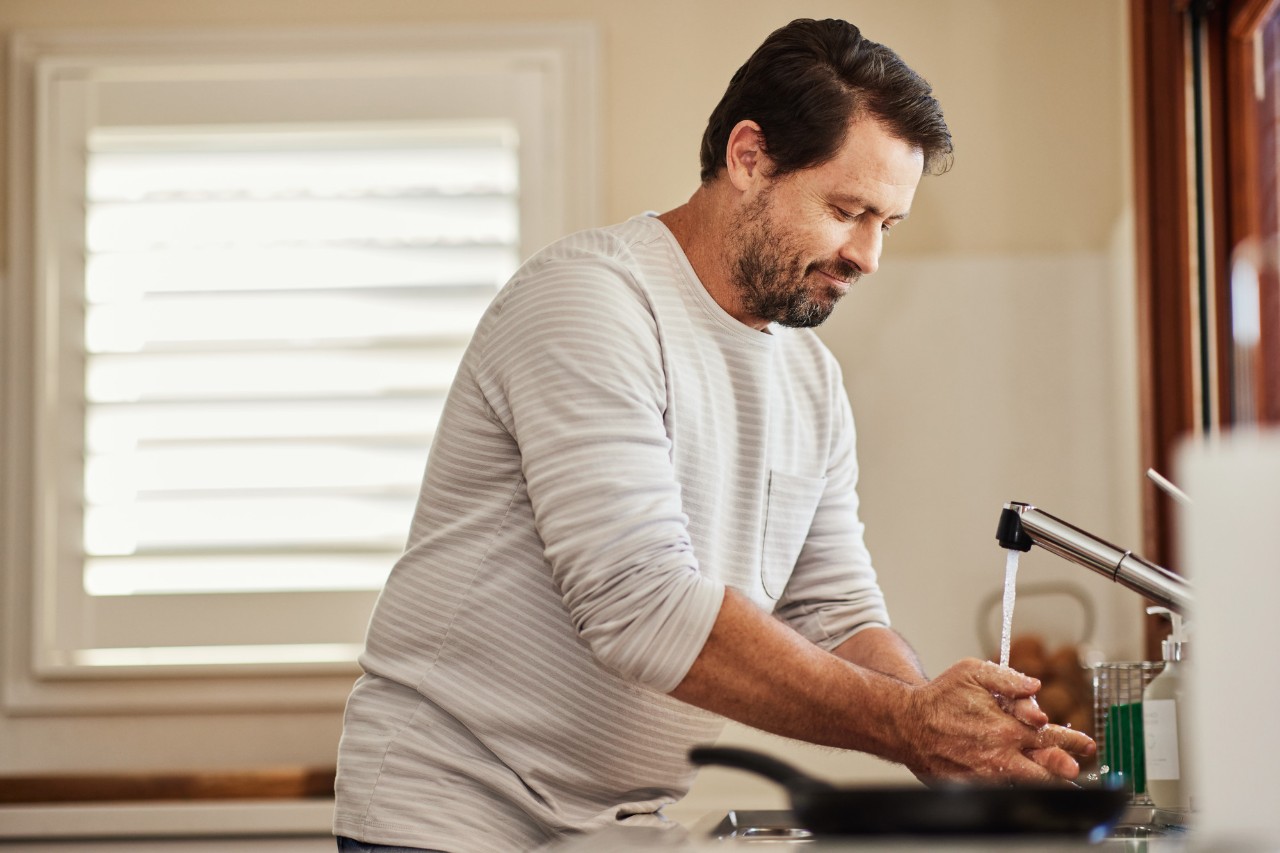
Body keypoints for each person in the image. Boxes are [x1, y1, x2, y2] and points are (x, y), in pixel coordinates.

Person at [333, 18, 1095, 853]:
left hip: (611, 828)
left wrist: (947, 735)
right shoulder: (592, 304)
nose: (869, 256)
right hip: (448, 815)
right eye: (849, 210)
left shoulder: (810, 380)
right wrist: (909, 723)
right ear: (748, 157)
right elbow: (639, 606)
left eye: (890, 224)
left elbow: (834, 608)